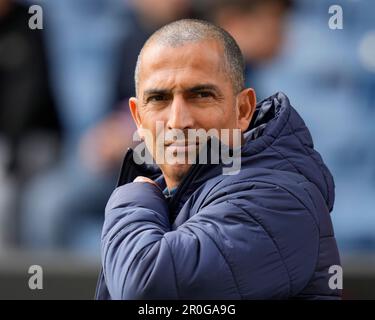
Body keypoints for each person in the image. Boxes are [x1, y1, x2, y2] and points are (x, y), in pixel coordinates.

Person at [95, 19, 341, 299]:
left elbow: (146, 289)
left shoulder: (280, 199)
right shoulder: (167, 194)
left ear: (243, 109)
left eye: (201, 95)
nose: (178, 121)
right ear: (138, 117)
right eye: (159, 98)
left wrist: (132, 198)